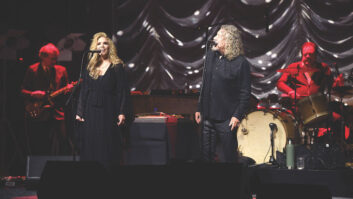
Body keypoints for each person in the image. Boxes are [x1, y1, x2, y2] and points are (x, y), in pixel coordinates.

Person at [195, 25, 251, 163]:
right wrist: (199, 107)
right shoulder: (211, 56)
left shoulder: (240, 63)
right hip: (208, 115)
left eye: (219, 36)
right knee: (206, 156)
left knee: (228, 158)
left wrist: (237, 115)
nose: (214, 38)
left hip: (227, 118)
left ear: (228, 41)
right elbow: (205, 84)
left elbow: (245, 93)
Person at [75, 32, 130, 168]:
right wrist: (80, 111)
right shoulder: (90, 67)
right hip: (91, 110)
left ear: (109, 46)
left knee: (107, 143)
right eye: (99, 43)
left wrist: (122, 112)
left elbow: (122, 91)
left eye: (105, 43)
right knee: (91, 143)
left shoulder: (117, 66)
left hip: (109, 109)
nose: (102, 46)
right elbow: (84, 90)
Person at [277, 41, 347, 140]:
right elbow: (280, 83)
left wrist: (337, 84)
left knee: (338, 119)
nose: (308, 57)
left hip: (319, 108)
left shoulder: (323, 68)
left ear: (316, 56)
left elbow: (332, 87)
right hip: (298, 108)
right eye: (306, 55)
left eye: (311, 55)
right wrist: (290, 91)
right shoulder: (293, 67)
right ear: (302, 54)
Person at [22, 43, 74, 155]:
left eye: (56, 59)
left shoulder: (61, 70)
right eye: (52, 59)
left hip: (57, 112)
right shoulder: (32, 70)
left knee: (63, 143)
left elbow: (66, 93)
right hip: (40, 113)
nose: (55, 62)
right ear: (42, 57)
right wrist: (33, 94)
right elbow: (22, 91)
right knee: (41, 145)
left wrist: (68, 90)